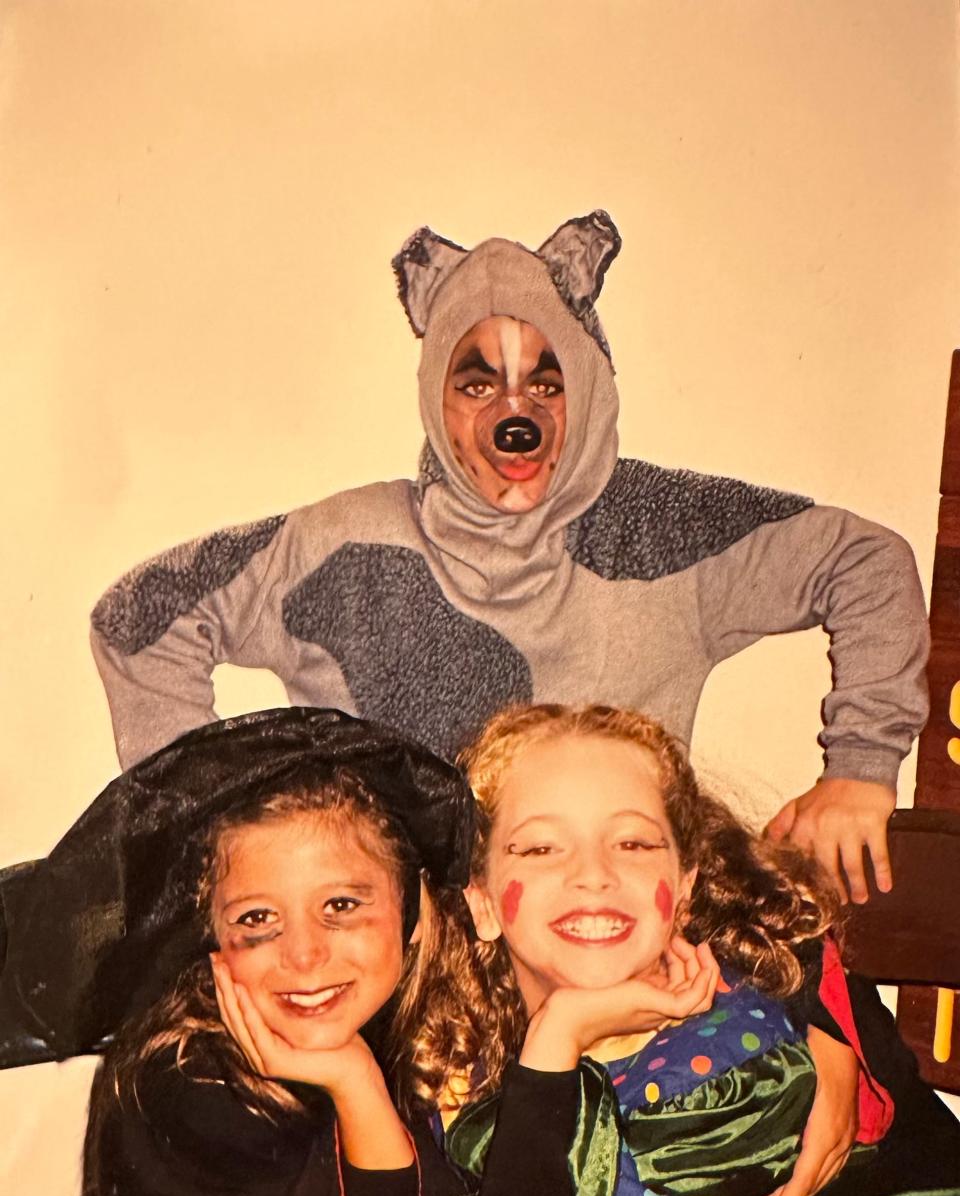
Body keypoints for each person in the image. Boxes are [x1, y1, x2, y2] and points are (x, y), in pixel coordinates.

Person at [89, 209, 928, 911]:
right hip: (412, 992)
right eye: (479, 383)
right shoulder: (344, 548)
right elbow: (142, 617)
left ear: (589, 389)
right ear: (437, 400)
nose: (515, 416)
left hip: (616, 961)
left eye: (547, 382)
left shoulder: (664, 533)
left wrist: (861, 767)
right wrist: (207, 824)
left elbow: (866, 560)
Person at [396, 703, 960, 1196]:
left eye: (632, 842)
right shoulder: (457, 1048)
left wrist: (560, 1035)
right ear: (483, 901)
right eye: (539, 846)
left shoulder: (740, 1054)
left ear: (686, 887)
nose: (593, 872)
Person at [0, 707, 508, 1196]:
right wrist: (354, 1083)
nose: (304, 952)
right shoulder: (186, 1093)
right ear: (210, 939)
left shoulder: (438, 1028)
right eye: (258, 920)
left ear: (410, 916)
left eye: (342, 905)